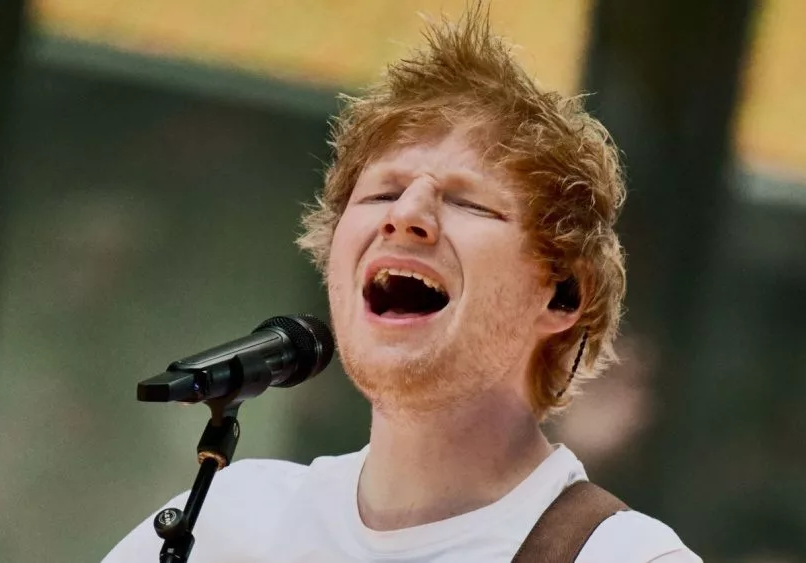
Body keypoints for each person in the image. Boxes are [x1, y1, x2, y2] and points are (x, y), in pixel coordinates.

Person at [104, 8, 701, 563]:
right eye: (382, 193)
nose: (405, 213)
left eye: (469, 202)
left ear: (563, 293)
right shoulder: (224, 522)